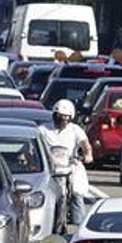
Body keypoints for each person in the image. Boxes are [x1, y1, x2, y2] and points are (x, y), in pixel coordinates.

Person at [40, 98, 93, 231]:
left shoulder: (75, 130)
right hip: (49, 168)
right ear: (54, 115)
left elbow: (85, 144)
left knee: (77, 192)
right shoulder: (43, 129)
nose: (63, 120)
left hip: (70, 166)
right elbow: (33, 146)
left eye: (66, 117)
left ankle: (79, 225)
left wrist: (87, 155)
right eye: (60, 116)